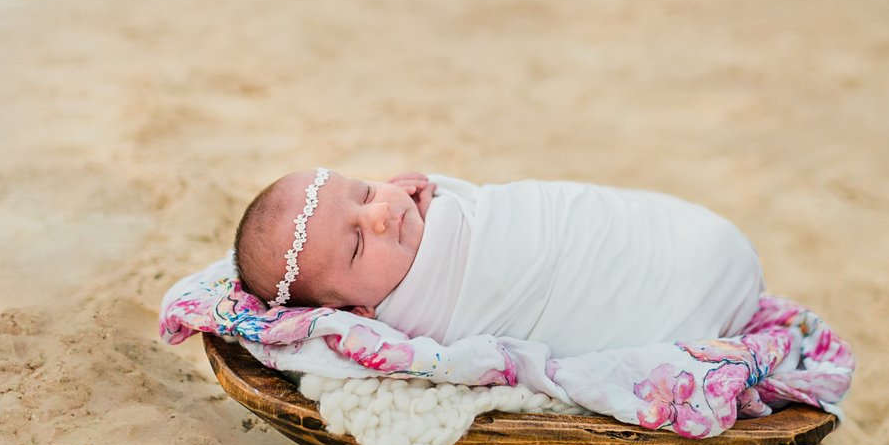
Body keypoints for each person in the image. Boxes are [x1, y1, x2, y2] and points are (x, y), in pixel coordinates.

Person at [233, 169, 764, 357]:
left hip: (688, 243)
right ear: (355, 311)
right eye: (355, 246)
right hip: (680, 292)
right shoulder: (407, 319)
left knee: (612, 225)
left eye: (366, 190)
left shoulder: (413, 219)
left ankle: (700, 254)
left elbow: (497, 210)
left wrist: (432, 190)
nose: (379, 215)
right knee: (677, 269)